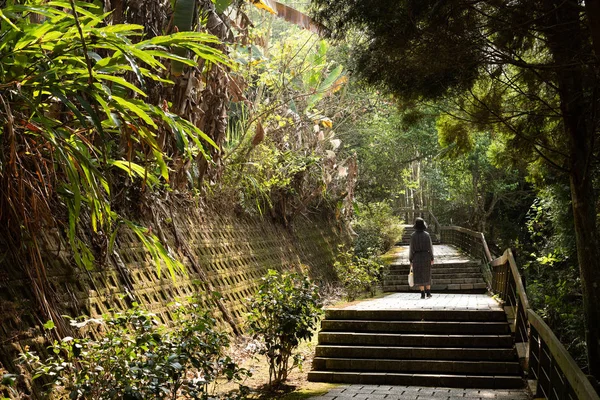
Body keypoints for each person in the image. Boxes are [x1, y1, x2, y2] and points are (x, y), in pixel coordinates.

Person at [409, 217, 434, 299]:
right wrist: (432, 257)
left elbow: (411, 248)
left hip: (416, 257)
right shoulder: (427, 235)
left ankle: (422, 293)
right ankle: (428, 293)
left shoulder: (413, 236)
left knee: (419, 274)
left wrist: (411, 259)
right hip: (426, 256)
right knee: (427, 274)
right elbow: (430, 248)